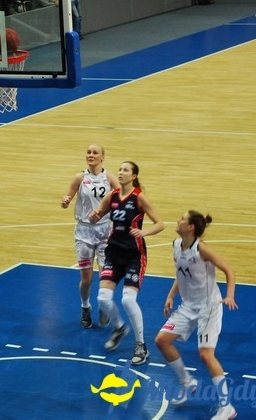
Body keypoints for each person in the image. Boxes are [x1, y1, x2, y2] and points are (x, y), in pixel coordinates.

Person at [155, 211, 238, 420]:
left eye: (182, 219)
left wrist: (229, 295)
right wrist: (171, 295)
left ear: (191, 227)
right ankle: (187, 381)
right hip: (188, 305)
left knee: (205, 355)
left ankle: (226, 407)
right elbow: (181, 273)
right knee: (162, 341)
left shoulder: (202, 249)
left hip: (209, 307)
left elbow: (229, 270)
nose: (178, 220)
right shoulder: (176, 245)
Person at [89, 161, 164, 365]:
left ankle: (141, 345)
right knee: (103, 298)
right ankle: (120, 327)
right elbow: (98, 214)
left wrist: (144, 231)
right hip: (113, 253)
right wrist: (93, 216)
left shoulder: (139, 198)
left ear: (134, 176)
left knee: (127, 300)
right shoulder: (112, 195)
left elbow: (160, 224)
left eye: (125, 170)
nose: (121, 173)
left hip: (134, 255)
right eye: (120, 169)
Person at [60, 144, 119, 329]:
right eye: (88, 152)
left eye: (95, 153)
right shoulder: (80, 177)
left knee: (105, 276)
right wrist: (65, 202)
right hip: (84, 231)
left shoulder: (108, 177)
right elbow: (67, 197)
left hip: (105, 231)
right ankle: (85, 307)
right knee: (86, 278)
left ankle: (103, 305)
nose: (91, 155)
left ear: (103, 157)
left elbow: (122, 197)